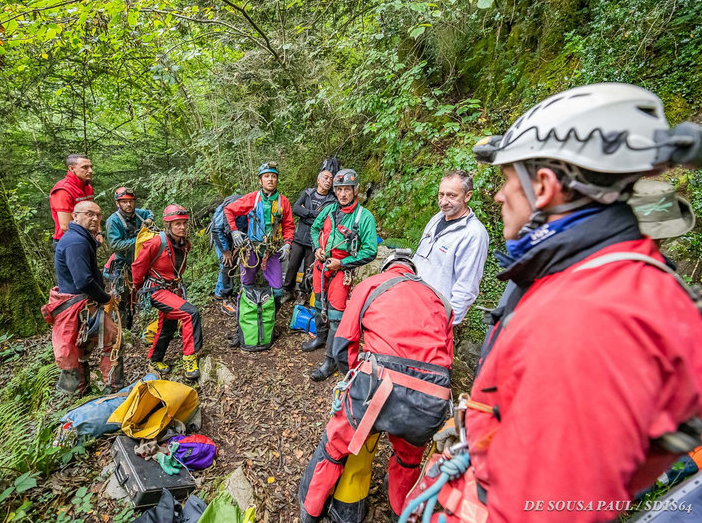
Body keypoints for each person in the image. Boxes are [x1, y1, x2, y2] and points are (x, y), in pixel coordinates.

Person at [404, 83, 702, 522]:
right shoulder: (594, 270)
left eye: (507, 180)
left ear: (543, 186)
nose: (499, 196)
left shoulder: (591, 317)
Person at [298, 249, 453, 522]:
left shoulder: (371, 285)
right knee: (409, 460)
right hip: (431, 398)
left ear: (387, 267)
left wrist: (354, 380)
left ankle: (309, 510)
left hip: (379, 387)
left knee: (333, 448)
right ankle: (399, 514)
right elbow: (446, 361)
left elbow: (344, 342)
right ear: (413, 272)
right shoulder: (441, 300)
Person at [43, 200, 124, 395]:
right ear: (75, 216)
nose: (95, 218)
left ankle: (78, 390)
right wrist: (105, 299)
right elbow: (84, 281)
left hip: (77, 303)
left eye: (98, 215)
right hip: (80, 304)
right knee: (112, 339)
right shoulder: (76, 242)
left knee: (78, 348)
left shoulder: (78, 238)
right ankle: (114, 389)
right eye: (89, 214)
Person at [304, 169, 377, 382]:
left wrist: (342, 263)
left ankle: (331, 359)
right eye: (339, 189)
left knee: (336, 317)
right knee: (318, 304)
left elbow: (370, 250)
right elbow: (315, 230)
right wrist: (317, 247)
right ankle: (320, 338)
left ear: (355, 190)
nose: (343, 194)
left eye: (347, 189)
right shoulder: (328, 210)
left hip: (341, 271)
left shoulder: (364, 217)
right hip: (321, 265)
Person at [132, 204, 201, 380]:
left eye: (184, 223)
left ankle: (155, 359)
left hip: (172, 290)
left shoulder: (185, 244)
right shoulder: (157, 243)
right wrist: (137, 288)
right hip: (155, 290)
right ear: (168, 225)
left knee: (168, 326)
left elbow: (179, 267)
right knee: (190, 313)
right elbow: (138, 266)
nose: (182, 227)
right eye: (177, 224)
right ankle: (189, 358)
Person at [412, 170, 489, 326]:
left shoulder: (473, 234)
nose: (443, 201)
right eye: (441, 195)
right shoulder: (437, 218)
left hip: (434, 317)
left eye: (452, 196)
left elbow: (467, 286)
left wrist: (446, 323)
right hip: (413, 305)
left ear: (468, 196)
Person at [224, 161, 295, 307]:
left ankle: (269, 321)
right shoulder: (253, 198)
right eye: (266, 176)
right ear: (260, 180)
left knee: (277, 291)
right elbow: (229, 210)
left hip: (272, 250)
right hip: (251, 249)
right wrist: (234, 231)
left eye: (273, 176)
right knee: (246, 287)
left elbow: (288, 226)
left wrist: (287, 244)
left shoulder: (283, 202)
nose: (270, 179)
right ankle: (243, 322)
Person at [281, 168, 336, 305]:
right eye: (325, 178)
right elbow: (296, 209)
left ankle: (303, 294)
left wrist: (306, 214)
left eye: (330, 179)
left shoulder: (332, 201)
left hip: (314, 241)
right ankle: (287, 290)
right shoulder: (308, 193)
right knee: (292, 265)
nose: (328, 181)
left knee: (309, 268)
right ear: (318, 180)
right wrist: (313, 214)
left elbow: (325, 220)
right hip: (299, 237)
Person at [105, 187, 154, 329]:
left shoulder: (140, 214)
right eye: (124, 202)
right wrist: (140, 241)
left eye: (131, 201)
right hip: (124, 266)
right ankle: (123, 330)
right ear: (118, 203)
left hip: (143, 262)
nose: (128, 205)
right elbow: (115, 244)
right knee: (123, 299)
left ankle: (148, 323)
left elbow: (149, 212)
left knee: (146, 293)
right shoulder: (113, 221)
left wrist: (149, 219)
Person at [50, 154, 97, 249]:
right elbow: (65, 226)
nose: (90, 171)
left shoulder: (87, 187)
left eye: (91, 167)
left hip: (87, 238)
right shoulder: (63, 190)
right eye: (85, 167)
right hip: (69, 242)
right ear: (72, 168)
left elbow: (94, 214)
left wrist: (98, 232)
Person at [211, 194, 247, 314]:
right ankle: (225, 299)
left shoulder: (249, 208)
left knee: (232, 262)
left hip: (236, 235)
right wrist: (226, 251)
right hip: (220, 234)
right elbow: (217, 230)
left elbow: (247, 228)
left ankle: (219, 294)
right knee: (227, 262)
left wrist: (238, 247)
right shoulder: (225, 212)